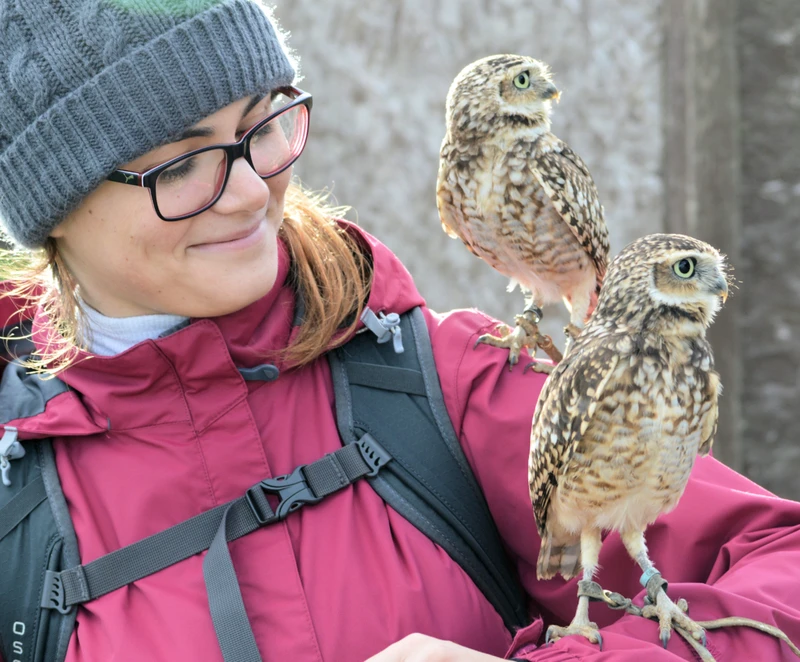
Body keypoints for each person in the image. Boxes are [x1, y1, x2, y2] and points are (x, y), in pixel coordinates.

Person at [0, 1, 798, 661]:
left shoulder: (443, 386)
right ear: (53, 210)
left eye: (261, 126)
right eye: (179, 166)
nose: (248, 193)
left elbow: (778, 570)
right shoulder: (20, 503)